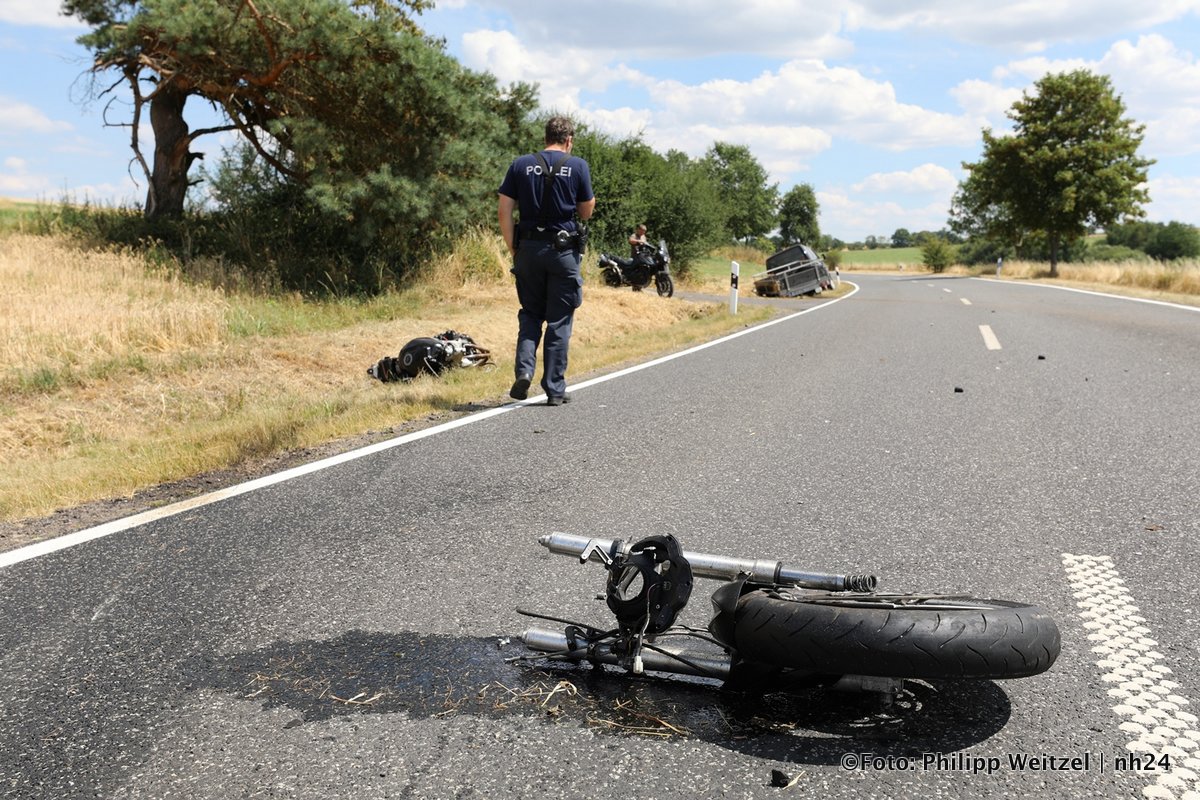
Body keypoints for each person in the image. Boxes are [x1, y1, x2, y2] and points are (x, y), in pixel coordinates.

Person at [497, 116, 595, 406]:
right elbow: (586, 212)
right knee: (559, 320)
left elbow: (504, 210)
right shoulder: (577, 166)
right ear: (569, 140)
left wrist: (513, 247)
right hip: (563, 253)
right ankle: (554, 388)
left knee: (530, 314)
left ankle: (524, 370)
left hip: (527, 248)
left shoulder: (520, 164)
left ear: (546, 137)